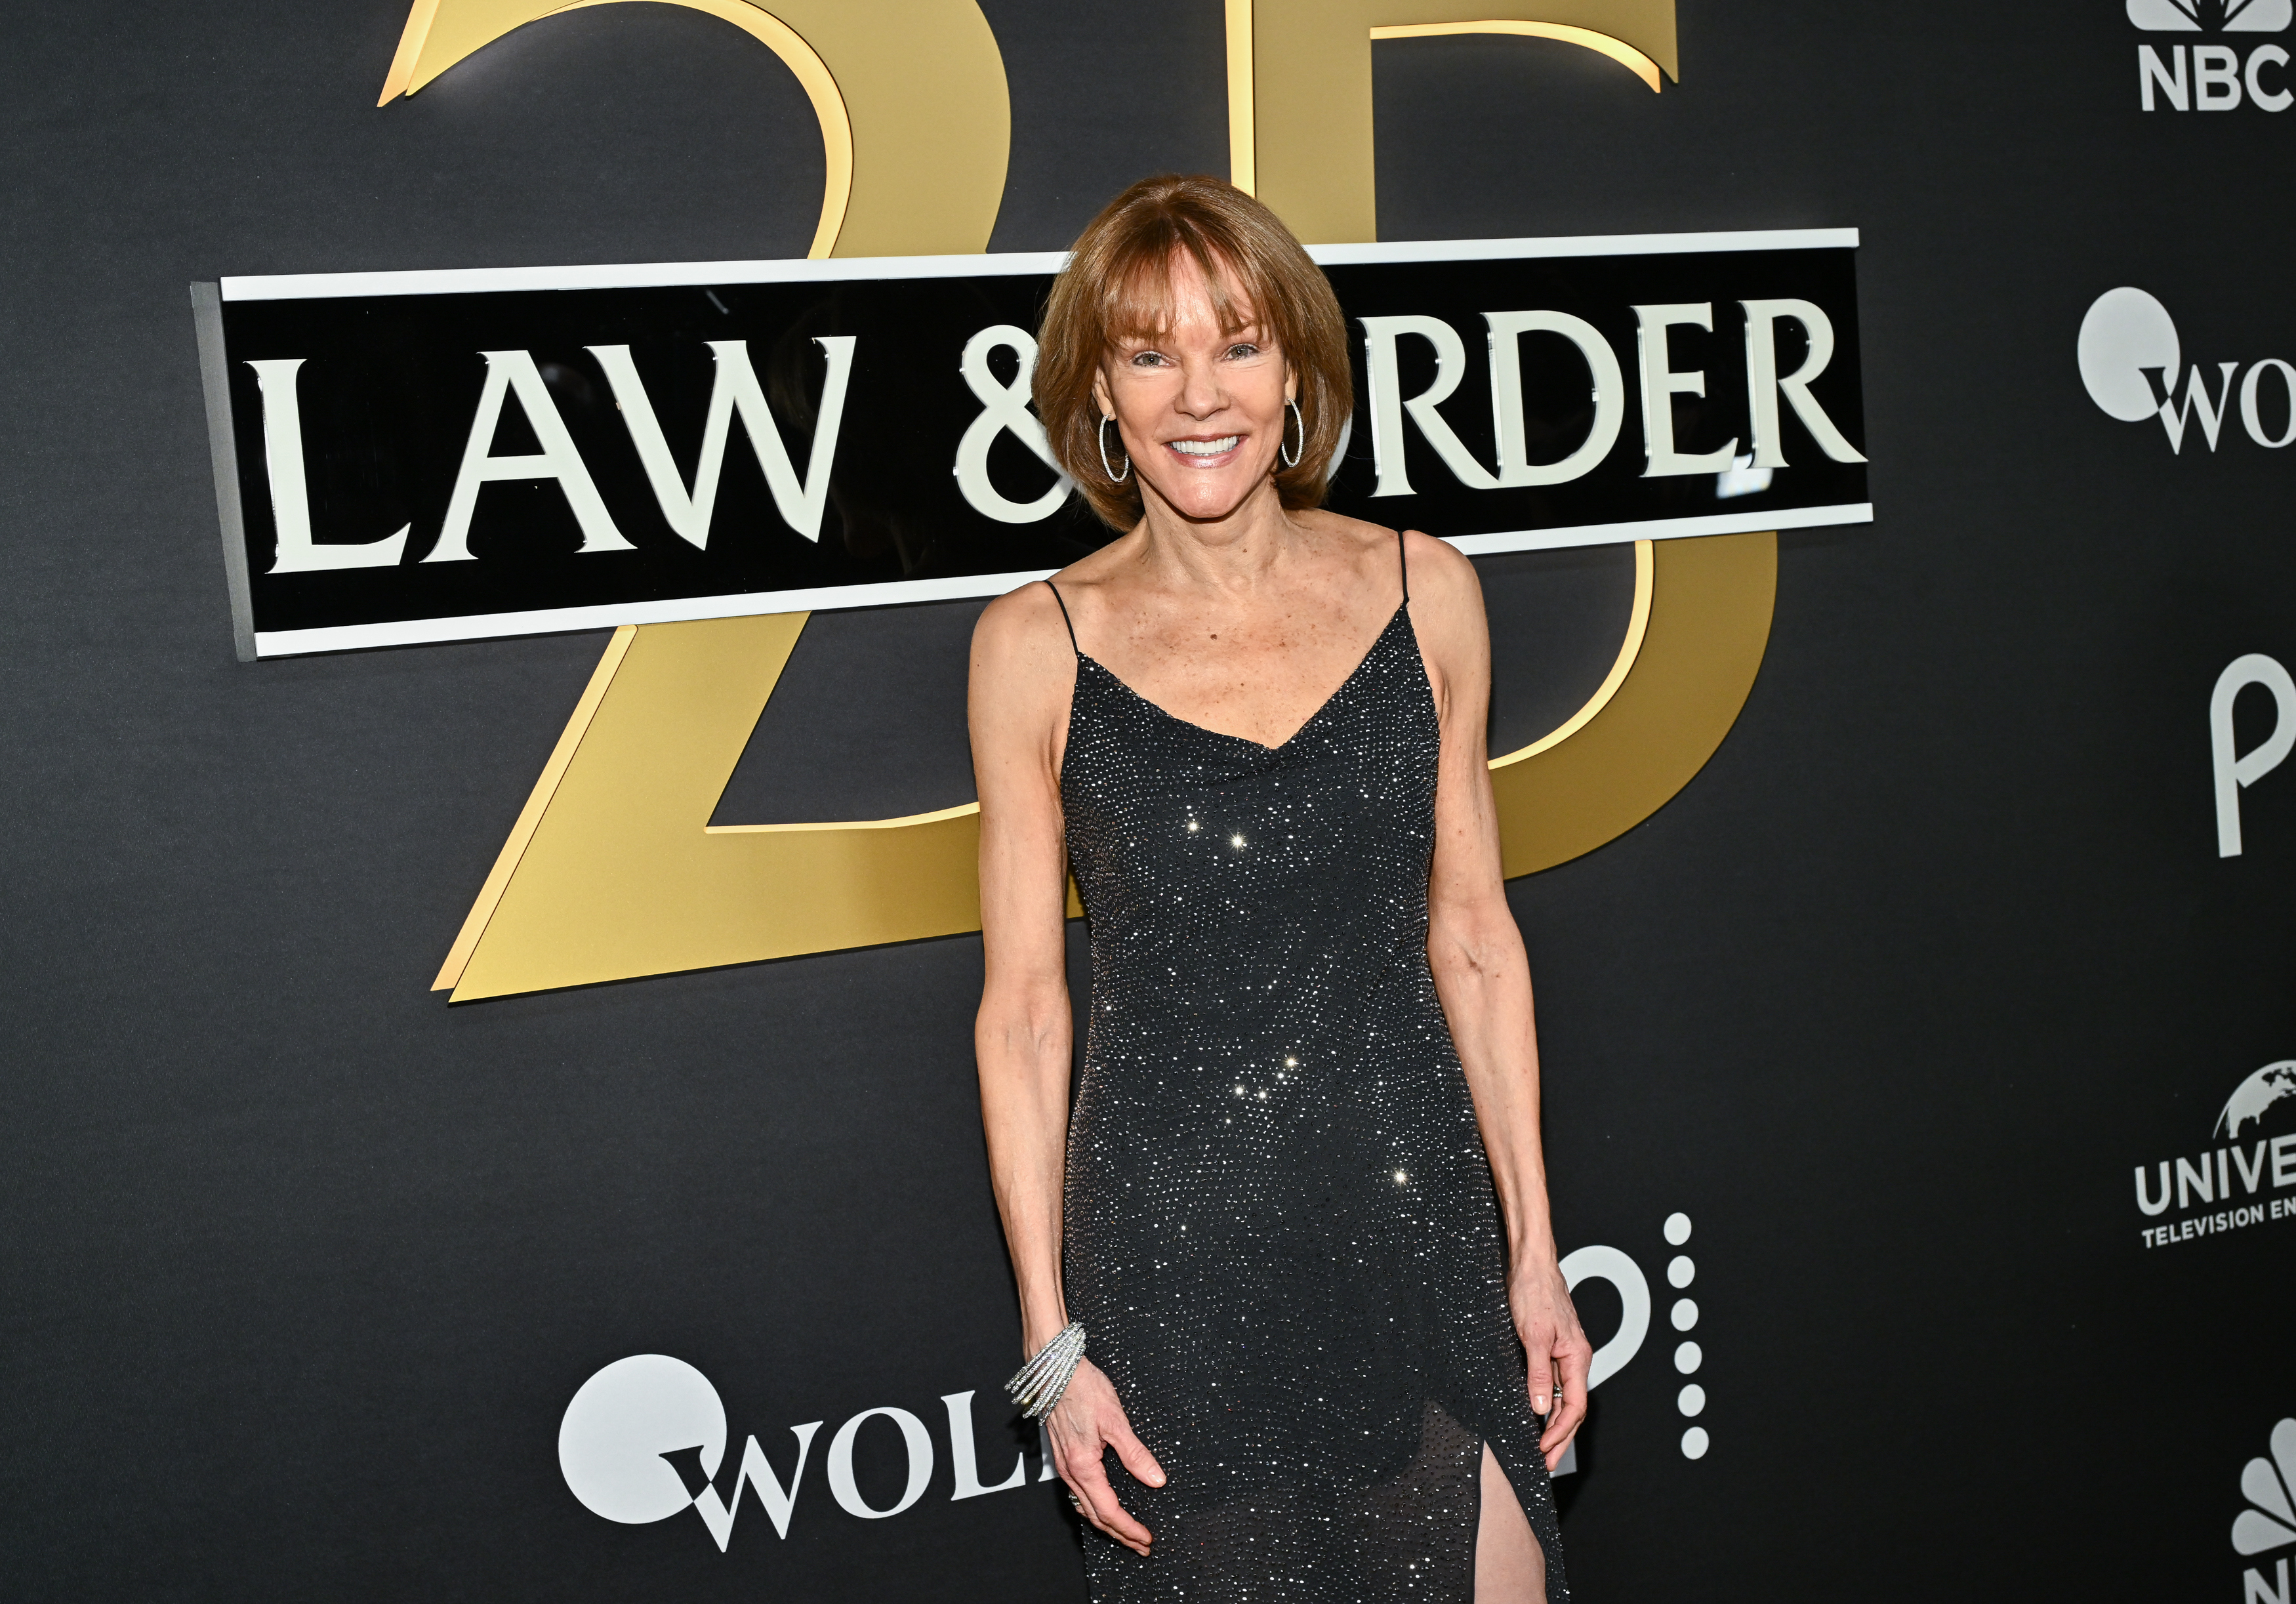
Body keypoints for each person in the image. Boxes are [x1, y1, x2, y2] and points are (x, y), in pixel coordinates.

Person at [969, 173, 1591, 1603]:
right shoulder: (1036, 643)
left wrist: (1534, 1246)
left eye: (1238, 342)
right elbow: (1021, 1014)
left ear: (1298, 369)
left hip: (1417, 1235)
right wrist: (1052, 1342)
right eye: (1150, 352)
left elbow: (1475, 937)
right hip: (1177, 1274)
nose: (1201, 393)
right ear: (1098, 396)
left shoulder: (1425, 588)